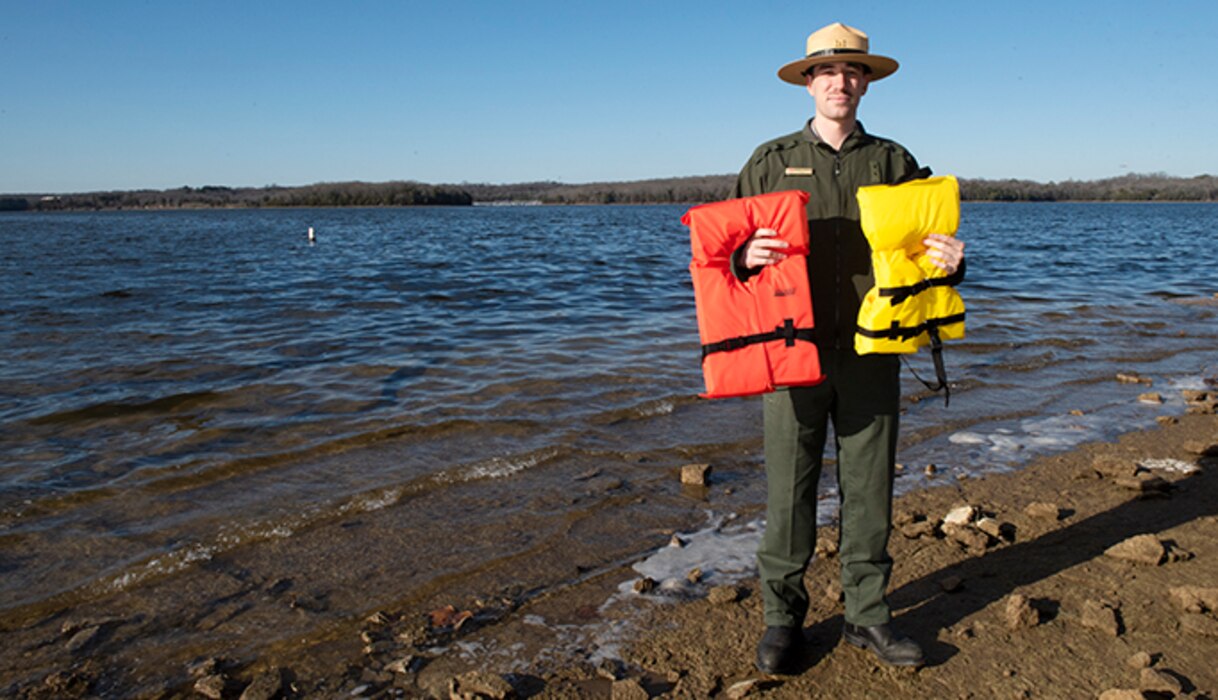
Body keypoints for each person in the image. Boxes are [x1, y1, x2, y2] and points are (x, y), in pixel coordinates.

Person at [730, 22, 965, 674]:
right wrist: (744, 256)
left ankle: (867, 614)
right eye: (827, 71)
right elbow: (726, 257)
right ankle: (783, 620)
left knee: (869, 488)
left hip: (871, 353)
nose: (840, 82)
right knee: (790, 489)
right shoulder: (769, 161)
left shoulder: (893, 162)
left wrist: (951, 263)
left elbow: (925, 250)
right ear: (808, 81)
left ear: (866, 82)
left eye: (852, 71)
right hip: (791, 350)